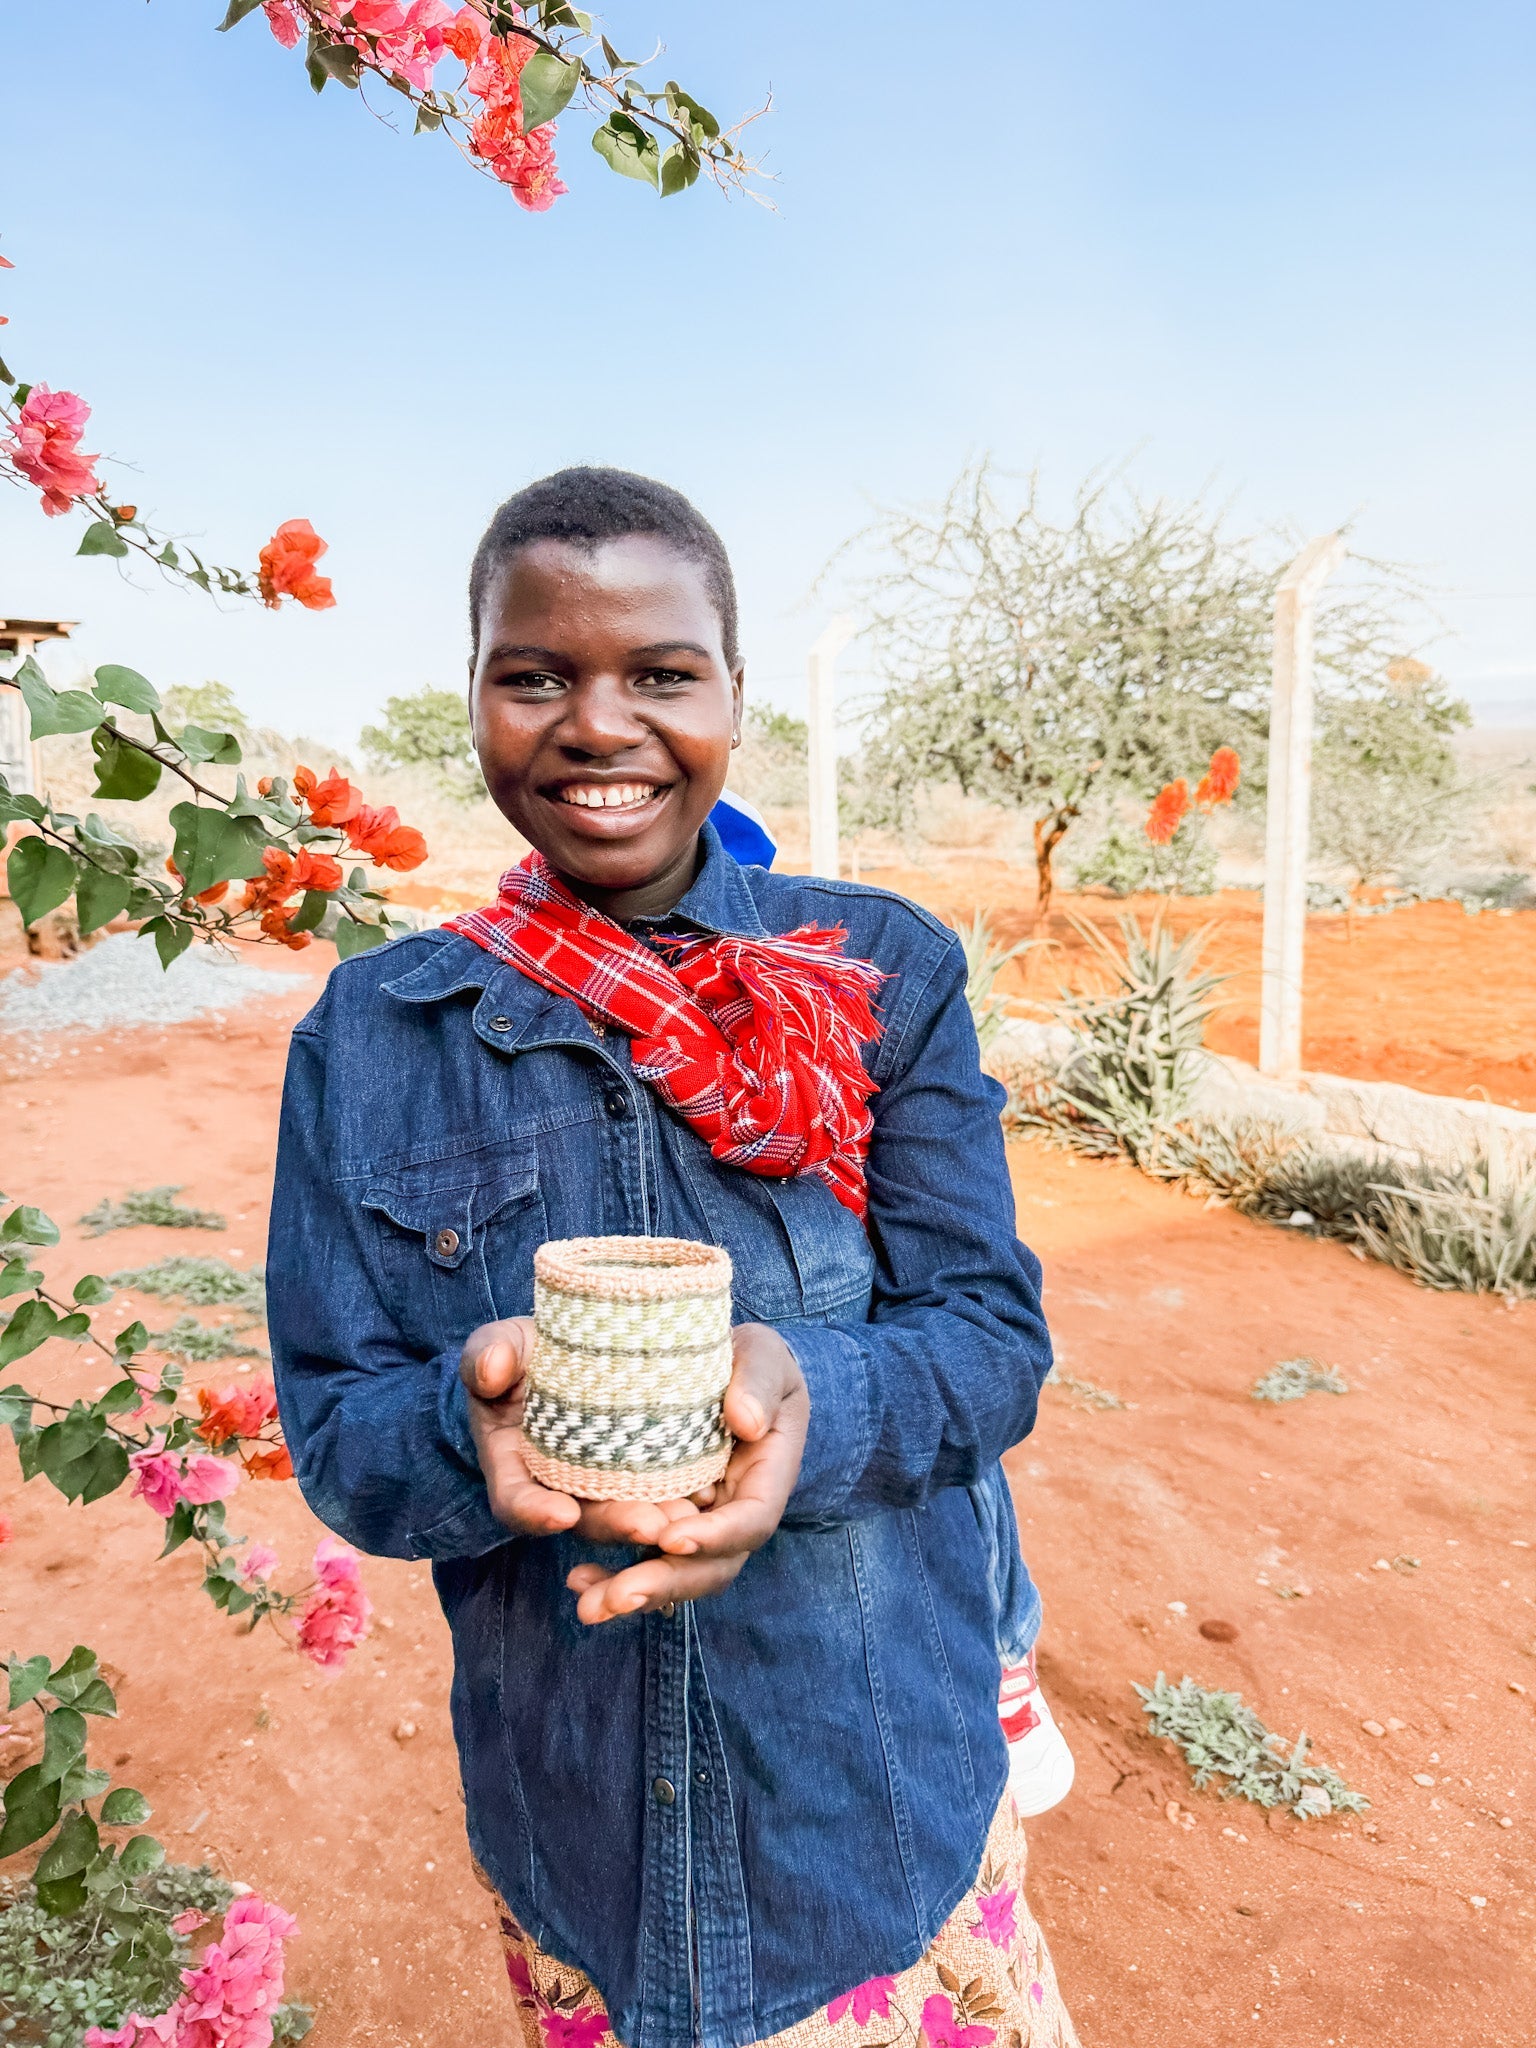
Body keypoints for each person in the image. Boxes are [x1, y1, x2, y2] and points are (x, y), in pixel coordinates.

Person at [267, 468, 1080, 2048]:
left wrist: (813, 1410)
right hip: (579, 1853)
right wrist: (464, 1427)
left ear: (730, 697)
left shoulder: (873, 974)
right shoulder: (370, 1039)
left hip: (881, 1829)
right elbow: (341, 1434)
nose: (598, 724)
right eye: (537, 676)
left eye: (659, 674)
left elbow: (989, 1338)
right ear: (480, 702)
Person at [703, 801, 1074, 1821]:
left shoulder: (834, 986)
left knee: (953, 1456)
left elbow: (979, 1324)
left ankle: (1004, 1655)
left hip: (863, 1260)